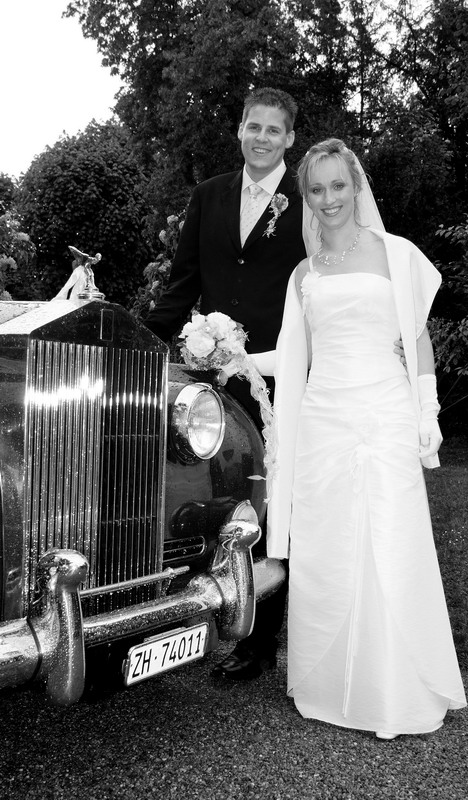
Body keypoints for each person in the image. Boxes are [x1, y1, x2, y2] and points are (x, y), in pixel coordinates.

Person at [246, 138, 467, 738]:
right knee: (330, 548)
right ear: (305, 197)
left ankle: (394, 691)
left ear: (357, 186)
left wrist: (428, 412)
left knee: (391, 540)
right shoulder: (303, 275)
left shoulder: (397, 254)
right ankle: (330, 687)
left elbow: (416, 337)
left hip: (385, 412)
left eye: (338, 185)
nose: (328, 199)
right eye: (316, 189)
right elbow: (293, 355)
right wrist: (230, 356)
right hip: (324, 421)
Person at [144, 87, 307, 680]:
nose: (261, 138)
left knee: (271, 505)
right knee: (217, 503)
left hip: (280, 379)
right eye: (252, 126)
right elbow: (183, 282)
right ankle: (198, 614)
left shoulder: (307, 201)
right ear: (239, 130)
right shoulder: (208, 195)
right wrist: (141, 340)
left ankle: (258, 644)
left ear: (290, 138)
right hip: (212, 386)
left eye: (273, 129)